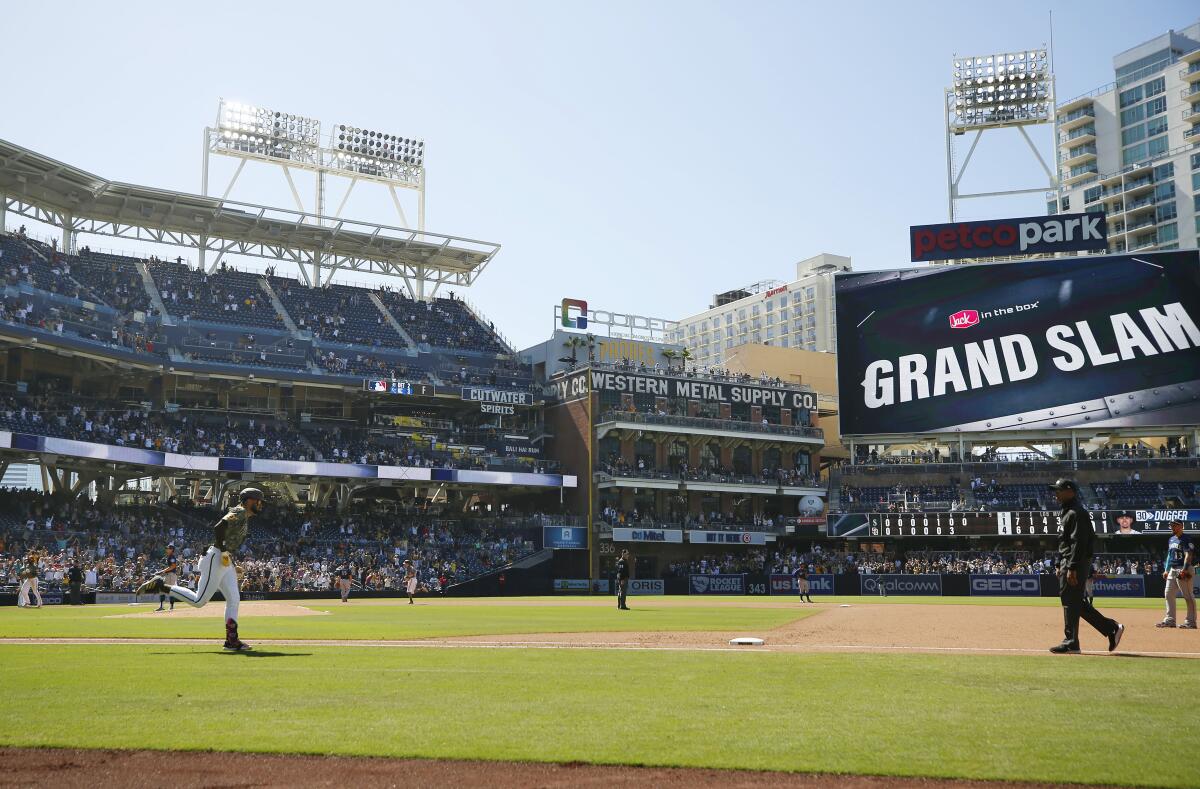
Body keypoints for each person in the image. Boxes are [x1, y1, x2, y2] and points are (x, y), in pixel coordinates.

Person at [137, 488, 265, 651]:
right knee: (199, 601)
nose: (260, 504)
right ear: (248, 501)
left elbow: (226, 537)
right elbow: (219, 527)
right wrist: (224, 551)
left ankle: (231, 641)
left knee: (234, 599)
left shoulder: (244, 517)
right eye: (257, 500)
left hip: (224, 560)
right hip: (217, 557)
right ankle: (160, 586)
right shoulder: (239, 511)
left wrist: (231, 559)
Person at [1048, 479, 1123, 654]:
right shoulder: (1067, 511)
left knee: (1070, 600)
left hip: (1075, 562)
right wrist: (1060, 563)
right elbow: (1065, 541)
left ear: (1070, 492)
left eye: (1059, 490)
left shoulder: (1077, 512)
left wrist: (1072, 567)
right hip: (1069, 561)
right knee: (1073, 601)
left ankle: (1072, 642)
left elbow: (1079, 543)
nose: (1056, 493)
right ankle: (1110, 628)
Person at [1158, 519, 1196, 629]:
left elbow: (1188, 555)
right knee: (1168, 594)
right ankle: (1170, 620)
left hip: (1184, 569)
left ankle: (1191, 622)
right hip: (1172, 570)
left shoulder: (1186, 539)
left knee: (1188, 596)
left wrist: (1184, 570)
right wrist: (1166, 569)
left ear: (1181, 526)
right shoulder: (1171, 539)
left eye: (1174, 525)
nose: (1172, 527)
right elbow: (1170, 556)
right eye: (1171, 525)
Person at [157, 544, 179, 612]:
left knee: (170, 590)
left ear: (172, 550)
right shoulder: (169, 556)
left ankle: (170, 606)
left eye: (168, 548)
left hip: (171, 575)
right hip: (168, 575)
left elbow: (173, 566)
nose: (167, 549)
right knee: (162, 590)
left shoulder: (172, 557)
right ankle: (162, 606)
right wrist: (163, 571)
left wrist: (163, 571)